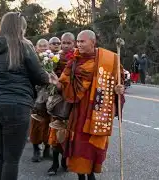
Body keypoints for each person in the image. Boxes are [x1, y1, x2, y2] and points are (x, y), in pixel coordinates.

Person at [0, 12, 51, 180]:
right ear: (20, 28)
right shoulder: (24, 46)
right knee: (11, 160)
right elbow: (39, 77)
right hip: (17, 105)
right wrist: (50, 78)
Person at [49, 30, 125, 180]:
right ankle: (81, 176)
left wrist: (119, 89)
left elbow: (119, 81)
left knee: (93, 146)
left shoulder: (109, 59)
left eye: (82, 41)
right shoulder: (74, 61)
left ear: (93, 42)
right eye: (77, 41)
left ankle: (90, 174)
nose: (79, 45)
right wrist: (56, 83)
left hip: (97, 111)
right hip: (78, 113)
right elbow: (64, 84)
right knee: (79, 146)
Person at [47, 32, 75, 176]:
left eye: (68, 43)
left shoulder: (78, 59)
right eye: (63, 43)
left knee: (69, 133)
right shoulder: (54, 58)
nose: (64, 46)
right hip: (58, 99)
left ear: (74, 44)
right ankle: (54, 164)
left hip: (72, 100)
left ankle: (65, 161)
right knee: (55, 132)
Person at [29, 38, 53, 162]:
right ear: (36, 48)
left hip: (50, 96)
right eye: (41, 46)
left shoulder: (52, 59)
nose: (43, 48)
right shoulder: (32, 60)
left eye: (45, 45)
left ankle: (47, 149)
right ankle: (36, 150)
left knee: (49, 123)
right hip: (36, 97)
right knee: (36, 124)